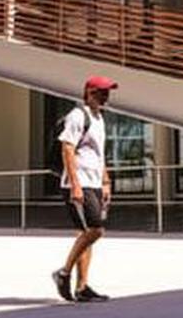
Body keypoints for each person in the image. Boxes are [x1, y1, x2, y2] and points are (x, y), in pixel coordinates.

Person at [51, 76, 117, 302]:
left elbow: (99, 155)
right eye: (101, 92)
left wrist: (105, 181)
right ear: (89, 92)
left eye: (108, 92)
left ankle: (82, 287)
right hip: (79, 184)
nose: (106, 96)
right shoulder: (78, 115)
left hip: (94, 183)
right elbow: (67, 149)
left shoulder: (99, 118)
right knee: (96, 230)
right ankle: (63, 273)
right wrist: (75, 185)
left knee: (85, 234)